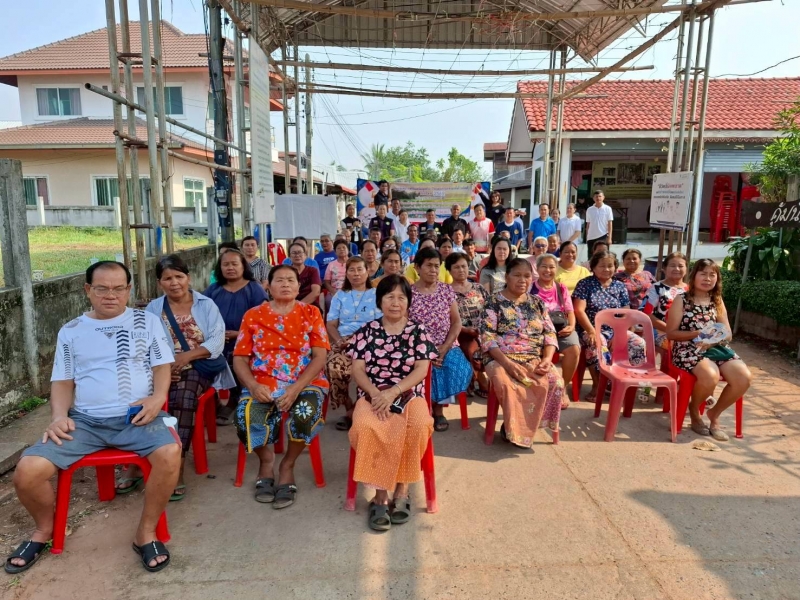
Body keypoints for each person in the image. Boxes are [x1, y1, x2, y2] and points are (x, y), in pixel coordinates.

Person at [7, 261, 179, 574]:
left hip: (137, 417)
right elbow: (63, 381)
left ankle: (146, 532)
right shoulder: (72, 330)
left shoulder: (147, 322)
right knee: (27, 470)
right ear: (88, 290)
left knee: (169, 453)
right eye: (101, 288)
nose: (110, 295)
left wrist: (158, 398)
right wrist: (58, 416)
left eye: (118, 288)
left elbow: (161, 366)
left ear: (129, 290)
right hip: (85, 422)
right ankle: (44, 530)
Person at [134, 255, 235, 502]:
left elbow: (217, 341)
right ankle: (138, 459)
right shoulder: (153, 309)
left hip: (201, 364)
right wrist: (166, 367)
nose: (174, 282)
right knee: (138, 395)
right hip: (164, 366)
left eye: (179, 276)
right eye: (167, 278)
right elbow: (147, 344)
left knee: (182, 396)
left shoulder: (206, 304)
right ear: (159, 283)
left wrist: (184, 358)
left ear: (188, 278)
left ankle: (176, 464)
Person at [232, 265, 330, 509]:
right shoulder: (253, 315)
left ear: (298, 287)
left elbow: (320, 357)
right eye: (279, 280)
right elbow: (239, 359)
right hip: (263, 382)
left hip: (305, 381)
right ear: (268, 286)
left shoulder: (311, 313)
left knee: (305, 413)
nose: (285, 284)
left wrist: (295, 388)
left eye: (290, 280)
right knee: (245, 415)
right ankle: (266, 461)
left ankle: (288, 464)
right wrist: (253, 385)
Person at [348, 275, 437, 531]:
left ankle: (402, 490)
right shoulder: (366, 332)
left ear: (408, 301)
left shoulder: (419, 331)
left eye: (401, 297)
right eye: (389, 297)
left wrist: (394, 392)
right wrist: (377, 394)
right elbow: (358, 369)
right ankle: (379, 495)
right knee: (365, 425)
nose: (395, 303)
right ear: (380, 301)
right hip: (373, 395)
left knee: (418, 425)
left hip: (409, 395)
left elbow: (421, 369)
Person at [481, 258, 564, 448]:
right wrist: (508, 364)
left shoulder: (537, 303)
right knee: (507, 385)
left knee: (555, 382)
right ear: (507, 277)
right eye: (517, 275)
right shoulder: (493, 302)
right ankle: (513, 428)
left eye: (527, 276)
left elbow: (550, 333)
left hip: (532, 356)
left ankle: (527, 426)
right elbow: (487, 338)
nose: (522, 280)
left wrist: (547, 359)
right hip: (499, 357)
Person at [666, 259, 752, 441]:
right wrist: (699, 334)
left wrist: (713, 340)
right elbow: (671, 333)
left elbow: (728, 333)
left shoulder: (716, 300)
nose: (707, 278)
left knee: (743, 377)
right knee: (710, 375)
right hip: (687, 348)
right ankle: (694, 411)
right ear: (694, 276)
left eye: (712, 275)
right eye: (703, 274)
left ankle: (714, 414)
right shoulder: (682, 300)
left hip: (716, 348)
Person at [409, 248, 471, 432]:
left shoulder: (446, 290)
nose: (433, 270)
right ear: (417, 267)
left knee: (459, 368)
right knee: (424, 369)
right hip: (418, 348)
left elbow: (456, 322)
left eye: (437, 266)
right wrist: (426, 350)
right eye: (429, 265)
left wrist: (444, 348)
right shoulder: (409, 293)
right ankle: (423, 408)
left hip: (447, 345)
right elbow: (405, 326)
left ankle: (437, 409)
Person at [204, 249, 269, 425]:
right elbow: (200, 315)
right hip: (216, 341)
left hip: (248, 342)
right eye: (225, 264)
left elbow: (264, 321)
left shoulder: (254, 288)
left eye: (234, 264)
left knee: (238, 358)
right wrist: (215, 335)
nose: (230, 268)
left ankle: (235, 400)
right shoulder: (213, 290)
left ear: (243, 266)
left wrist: (240, 334)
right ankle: (215, 402)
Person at [572, 251, 646, 402]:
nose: (606, 269)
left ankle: (626, 382)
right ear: (593, 267)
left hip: (616, 329)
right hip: (591, 328)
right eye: (602, 266)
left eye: (610, 266)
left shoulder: (619, 286)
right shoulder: (585, 284)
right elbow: (579, 310)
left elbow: (625, 312)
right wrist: (591, 331)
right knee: (596, 343)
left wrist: (619, 333)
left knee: (638, 343)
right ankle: (598, 384)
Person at [326, 257, 383, 431]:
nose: (356, 273)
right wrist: (339, 340)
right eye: (352, 270)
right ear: (347, 273)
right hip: (344, 340)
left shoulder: (377, 294)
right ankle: (349, 407)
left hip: (371, 341)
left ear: (367, 271)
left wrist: (363, 339)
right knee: (334, 367)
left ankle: (363, 408)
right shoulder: (340, 296)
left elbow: (382, 323)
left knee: (375, 369)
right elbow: (331, 324)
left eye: (360, 269)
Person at [532, 254, 580, 407]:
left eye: (551, 267)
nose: (548, 270)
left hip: (560, 329)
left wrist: (571, 326)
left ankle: (562, 388)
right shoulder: (530, 288)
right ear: (537, 268)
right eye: (544, 266)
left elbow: (570, 311)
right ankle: (540, 389)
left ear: (556, 268)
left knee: (574, 348)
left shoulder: (561, 288)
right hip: (538, 331)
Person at [446, 252, 489, 397]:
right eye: (456, 267)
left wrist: (483, 328)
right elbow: (446, 319)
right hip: (459, 333)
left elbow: (490, 311)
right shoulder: (446, 291)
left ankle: (475, 379)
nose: (461, 270)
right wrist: (465, 330)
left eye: (464, 266)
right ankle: (479, 379)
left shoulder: (479, 288)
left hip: (483, 330)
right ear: (449, 270)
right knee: (471, 348)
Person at [642, 252, 688, 349]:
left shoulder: (690, 290)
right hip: (661, 331)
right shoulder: (656, 288)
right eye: (672, 266)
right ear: (664, 269)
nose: (677, 269)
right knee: (683, 346)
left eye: (680, 266)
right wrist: (671, 330)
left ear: (686, 269)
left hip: (687, 333)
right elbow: (647, 315)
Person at [288, 242, 322, 308]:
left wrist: (298, 306)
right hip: (289, 305)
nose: (297, 255)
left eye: (300, 252)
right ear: (289, 256)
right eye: (294, 253)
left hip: (310, 305)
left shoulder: (313, 271)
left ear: (305, 255)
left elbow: (316, 292)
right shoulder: (285, 272)